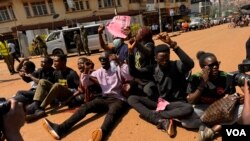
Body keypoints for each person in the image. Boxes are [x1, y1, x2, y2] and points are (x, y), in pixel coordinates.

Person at [42, 51, 133, 141]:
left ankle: (100, 135)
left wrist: (119, 62)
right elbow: (85, 83)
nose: (102, 61)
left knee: (112, 114)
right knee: (85, 107)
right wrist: (86, 70)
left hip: (118, 99)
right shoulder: (99, 72)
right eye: (100, 59)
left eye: (104, 59)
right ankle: (60, 129)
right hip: (104, 98)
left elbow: (129, 77)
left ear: (110, 59)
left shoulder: (117, 69)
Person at [127, 32, 194, 137]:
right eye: (161, 59)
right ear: (155, 58)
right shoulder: (153, 69)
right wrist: (130, 53)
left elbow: (190, 64)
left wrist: (173, 44)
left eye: (167, 58)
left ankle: (157, 116)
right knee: (132, 99)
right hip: (161, 103)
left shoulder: (176, 65)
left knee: (189, 108)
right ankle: (162, 120)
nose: (165, 61)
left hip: (176, 104)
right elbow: (134, 73)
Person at [185, 51, 243, 141]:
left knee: (242, 109)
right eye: (211, 65)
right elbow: (191, 101)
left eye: (216, 64)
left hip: (221, 109)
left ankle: (214, 129)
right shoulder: (195, 78)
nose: (215, 67)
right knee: (186, 123)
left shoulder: (225, 77)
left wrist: (238, 99)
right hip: (203, 109)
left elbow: (231, 101)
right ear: (203, 68)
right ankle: (218, 124)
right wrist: (203, 83)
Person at [25, 54, 79, 122]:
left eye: (56, 61)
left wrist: (68, 100)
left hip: (69, 95)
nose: (54, 64)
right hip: (58, 96)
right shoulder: (56, 72)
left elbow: (80, 89)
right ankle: (37, 107)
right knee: (42, 81)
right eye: (53, 61)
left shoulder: (72, 73)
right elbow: (52, 87)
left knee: (57, 85)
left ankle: (41, 109)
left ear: (63, 62)